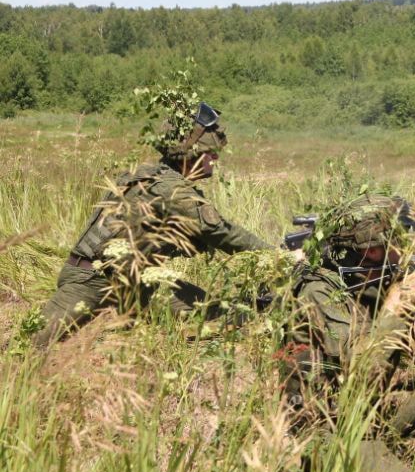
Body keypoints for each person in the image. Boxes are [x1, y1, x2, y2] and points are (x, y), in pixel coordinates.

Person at [277, 192, 415, 472]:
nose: (408, 250)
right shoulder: (318, 292)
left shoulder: (377, 284)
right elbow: (360, 372)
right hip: (325, 432)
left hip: (366, 416)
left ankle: (399, 461)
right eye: (399, 242)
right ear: (371, 250)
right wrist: (393, 312)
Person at [33, 101, 272, 348]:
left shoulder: (154, 175)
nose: (214, 160)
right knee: (29, 346)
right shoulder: (168, 187)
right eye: (209, 155)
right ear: (190, 153)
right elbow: (219, 231)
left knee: (217, 313)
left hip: (139, 284)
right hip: (92, 281)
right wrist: (277, 257)